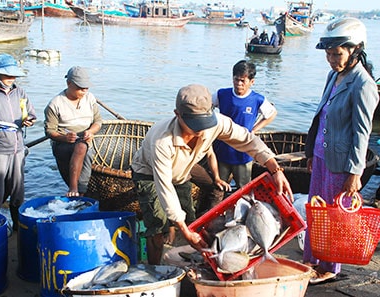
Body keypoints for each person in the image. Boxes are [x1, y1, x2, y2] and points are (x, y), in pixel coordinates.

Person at [131, 83, 292, 265]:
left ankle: (203, 263)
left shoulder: (216, 122)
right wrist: (182, 229)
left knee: (192, 221)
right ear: (178, 114)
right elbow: (164, 186)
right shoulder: (161, 141)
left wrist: (274, 168)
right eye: (194, 124)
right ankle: (155, 271)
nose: (200, 130)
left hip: (182, 172)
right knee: (157, 226)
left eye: (204, 123)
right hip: (149, 174)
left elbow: (247, 139)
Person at [302, 17, 379, 284]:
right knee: (316, 210)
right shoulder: (334, 75)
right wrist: (311, 152)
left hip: (341, 163)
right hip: (323, 157)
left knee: (334, 217)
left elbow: (361, 132)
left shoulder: (363, 84)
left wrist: (355, 173)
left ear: (355, 50)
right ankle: (311, 259)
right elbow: (321, 114)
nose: (332, 59)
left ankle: (329, 267)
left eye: (337, 53)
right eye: (328, 54)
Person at [0, 53, 36, 230]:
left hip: (17, 149)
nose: (11, 78)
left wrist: (29, 120)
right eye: (7, 75)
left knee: (17, 192)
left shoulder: (20, 92)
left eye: (13, 75)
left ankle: (18, 228)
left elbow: (31, 114)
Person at [212, 60, 277, 198]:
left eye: (243, 80)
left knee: (244, 190)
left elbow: (271, 114)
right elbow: (207, 108)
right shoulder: (222, 94)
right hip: (222, 150)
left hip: (244, 155)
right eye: (236, 79)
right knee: (217, 188)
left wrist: (254, 129)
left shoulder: (257, 99)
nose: (239, 84)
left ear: (251, 82)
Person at [44, 66, 102, 197]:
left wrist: (91, 131)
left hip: (85, 139)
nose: (84, 91)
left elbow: (98, 121)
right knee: (81, 147)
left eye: (86, 88)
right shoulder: (55, 104)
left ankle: (79, 190)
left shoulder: (90, 98)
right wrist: (65, 138)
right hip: (63, 143)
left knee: (82, 147)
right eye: (80, 88)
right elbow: (50, 131)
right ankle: (75, 188)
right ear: (69, 83)